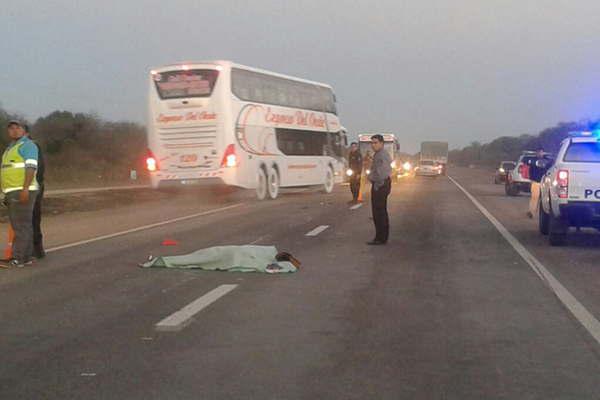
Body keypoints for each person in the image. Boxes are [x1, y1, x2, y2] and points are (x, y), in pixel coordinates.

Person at [1, 121, 40, 267]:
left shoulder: (27, 146)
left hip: (22, 190)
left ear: (25, 131)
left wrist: (25, 189)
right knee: (24, 225)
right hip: (13, 191)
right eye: (11, 128)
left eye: (18, 128)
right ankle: (27, 256)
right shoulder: (11, 148)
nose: (14, 130)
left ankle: (18, 258)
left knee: (20, 226)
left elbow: (31, 168)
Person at [24, 125, 46, 258]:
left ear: (26, 132)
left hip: (33, 188)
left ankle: (37, 249)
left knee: (33, 218)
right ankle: (29, 249)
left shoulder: (32, 146)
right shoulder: (17, 147)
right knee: (26, 220)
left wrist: (32, 187)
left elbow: (38, 169)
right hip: (22, 188)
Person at [367, 134, 392, 245]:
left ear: (381, 143)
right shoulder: (378, 154)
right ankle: (380, 237)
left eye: (375, 142)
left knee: (379, 212)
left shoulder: (382, 155)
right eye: (372, 143)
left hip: (380, 185)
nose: (373, 145)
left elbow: (382, 174)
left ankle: (381, 238)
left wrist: (370, 177)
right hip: (380, 184)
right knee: (379, 212)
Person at [526, 148, 548, 219]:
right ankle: (531, 212)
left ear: (543, 152)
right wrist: (532, 179)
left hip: (545, 183)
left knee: (546, 199)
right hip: (536, 182)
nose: (539, 153)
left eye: (541, 152)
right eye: (538, 152)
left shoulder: (547, 161)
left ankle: (546, 215)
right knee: (534, 198)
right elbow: (530, 171)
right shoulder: (533, 161)